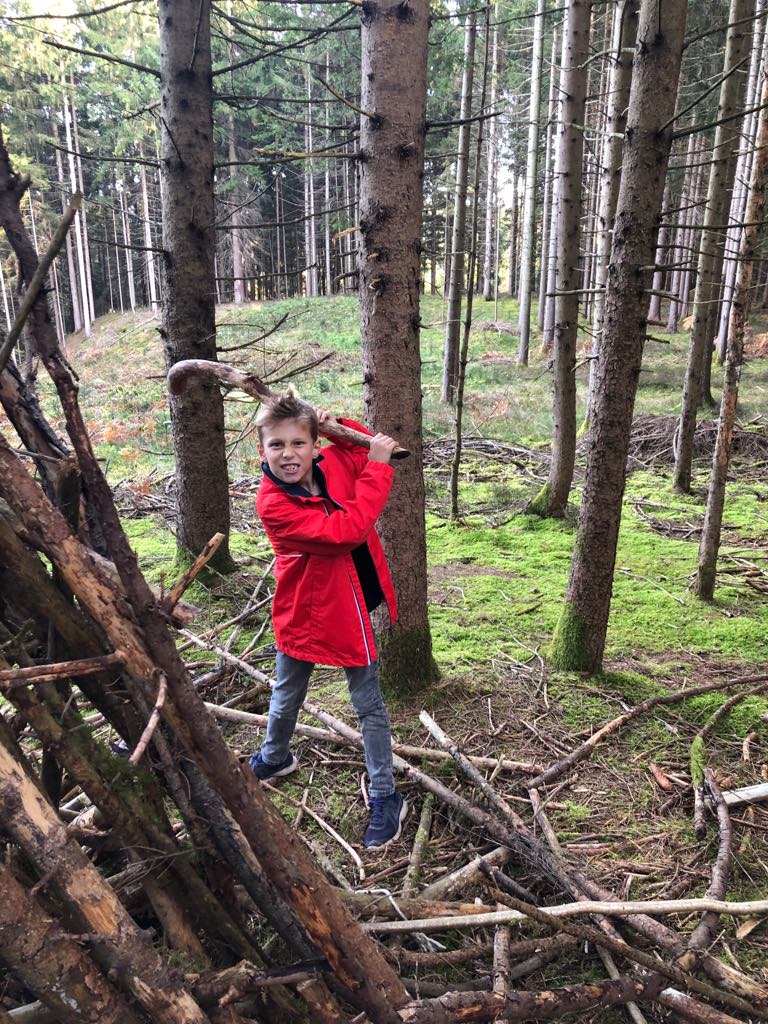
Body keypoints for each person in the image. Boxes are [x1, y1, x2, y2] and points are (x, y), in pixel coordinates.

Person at [248, 393, 408, 850]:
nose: (288, 454)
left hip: (349, 603)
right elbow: (346, 532)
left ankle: (385, 794)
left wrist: (340, 423)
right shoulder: (273, 504)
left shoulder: (331, 459)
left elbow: (361, 448)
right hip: (302, 607)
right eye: (277, 445)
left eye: (298, 442)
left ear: (316, 444)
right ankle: (275, 757)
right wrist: (378, 470)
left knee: (368, 703)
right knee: (286, 693)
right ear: (262, 450)